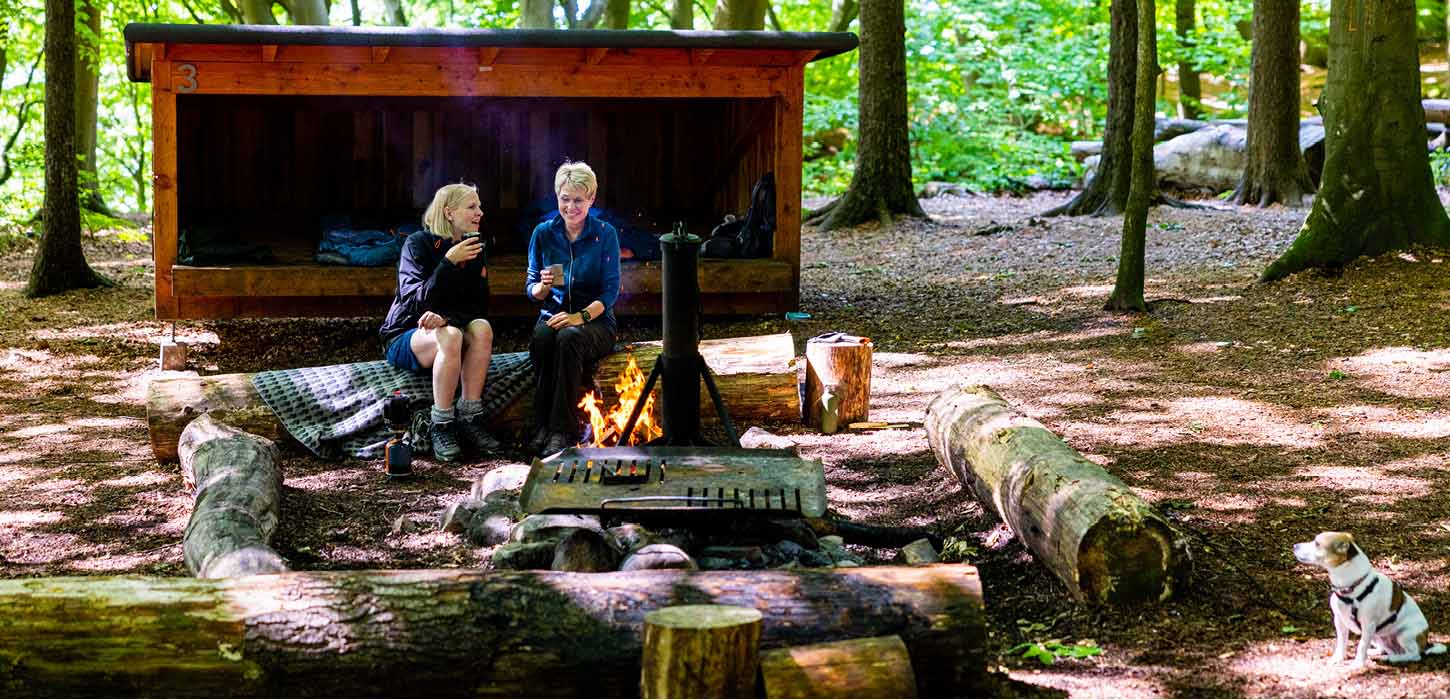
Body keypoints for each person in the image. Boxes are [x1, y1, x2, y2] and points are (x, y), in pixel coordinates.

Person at [379, 183, 501, 462]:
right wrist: (447, 262)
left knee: (482, 328)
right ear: (449, 213)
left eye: (479, 206)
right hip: (406, 334)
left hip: (448, 328)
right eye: (472, 207)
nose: (480, 213)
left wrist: (447, 318)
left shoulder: (473, 247)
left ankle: (470, 417)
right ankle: (442, 423)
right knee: (451, 336)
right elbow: (413, 302)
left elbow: (479, 307)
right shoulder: (417, 244)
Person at [524, 161, 620, 456]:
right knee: (543, 337)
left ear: (591, 199)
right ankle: (540, 425)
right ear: (557, 197)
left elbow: (610, 292)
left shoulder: (605, 234)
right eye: (565, 199)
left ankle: (562, 430)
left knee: (569, 338)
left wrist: (579, 317)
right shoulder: (543, 233)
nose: (571, 207)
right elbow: (531, 289)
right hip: (553, 316)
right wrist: (542, 288)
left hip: (595, 321)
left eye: (578, 200)